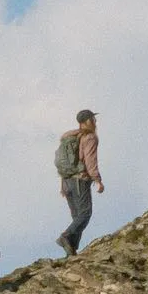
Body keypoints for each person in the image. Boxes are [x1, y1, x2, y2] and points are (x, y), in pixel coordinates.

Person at [55, 110, 104, 256]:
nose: (95, 122)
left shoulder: (71, 137)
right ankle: (65, 236)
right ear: (87, 121)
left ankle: (71, 251)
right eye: (93, 119)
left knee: (77, 217)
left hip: (67, 181)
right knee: (85, 214)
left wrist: (63, 186)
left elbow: (65, 163)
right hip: (80, 180)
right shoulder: (89, 137)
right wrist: (97, 180)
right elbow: (90, 160)